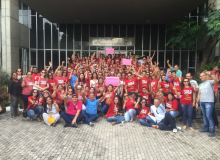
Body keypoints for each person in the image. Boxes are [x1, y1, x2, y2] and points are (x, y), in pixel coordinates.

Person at [196, 71, 219, 137]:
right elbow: (199, 94)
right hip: (202, 102)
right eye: (200, 76)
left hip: (209, 102)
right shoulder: (200, 84)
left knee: (209, 116)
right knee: (204, 116)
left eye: (203, 75)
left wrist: (211, 74)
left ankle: (212, 130)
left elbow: (217, 80)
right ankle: (206, 128)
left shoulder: (210, 82)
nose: (202, 77)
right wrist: (197, 102)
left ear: (206, 76)